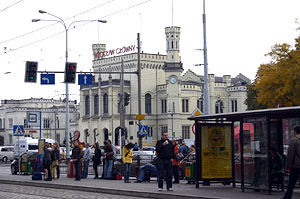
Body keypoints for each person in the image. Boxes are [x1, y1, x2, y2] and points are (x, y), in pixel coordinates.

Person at [283, 125, 300, 199]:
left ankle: (287, 197)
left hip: (296, 165)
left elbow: (290, 154)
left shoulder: (294, 140)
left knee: (291, 182)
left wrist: (287, 166)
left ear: (295, 131)